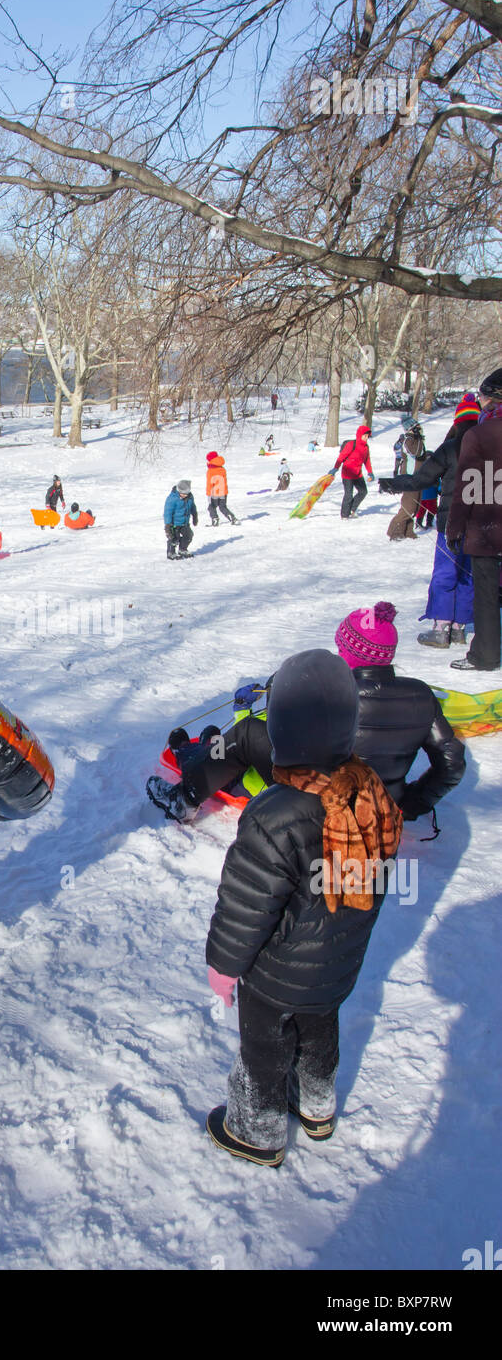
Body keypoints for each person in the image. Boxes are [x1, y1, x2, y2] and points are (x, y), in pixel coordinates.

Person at [204, 649, 403, 1166]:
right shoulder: (369, 792)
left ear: (282, 732)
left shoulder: (276, 813)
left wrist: (225, 968)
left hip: (276, 974)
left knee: (264, 1049)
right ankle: (316, 1106)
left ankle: (258, 1130)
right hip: (339, 966)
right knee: (318, 1030)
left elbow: (246, 905)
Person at [147, 602, 465, 825]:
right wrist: (407, 805)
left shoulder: (330, 691)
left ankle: (184, 799)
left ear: (350, 651)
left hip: (320, 806)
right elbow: (451, 764)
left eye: (343, 648)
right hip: (379, 810)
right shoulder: (421, 694)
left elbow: (279, 737)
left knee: (246, 735)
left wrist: (271, 695)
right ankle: (209, 754)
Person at [379, 395, 480, 648]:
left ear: (456, 422)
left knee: (446, 572)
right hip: (480, 524)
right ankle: (459, 627)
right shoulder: (489, 449)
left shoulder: (450, 448)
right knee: (468, 575)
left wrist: (392, 483)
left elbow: (420, 480)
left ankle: (441, 626)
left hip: (451, 524)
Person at [446, 369, 502, 671]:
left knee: (486, 595)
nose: (478, 402)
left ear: (491, 397)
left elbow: (466, 486)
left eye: (480, 396)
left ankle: (485, 655)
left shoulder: (478, 434)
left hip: (487, 527)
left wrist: (454, 527)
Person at [386, 426, 426, 539]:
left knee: (415, 507)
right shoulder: (408, 440)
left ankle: (408, 531)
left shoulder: (417, 440)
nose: (419, 431)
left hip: (418, 478)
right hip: (410, 478)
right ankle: (393, 531)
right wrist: (414, 436)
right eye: (417, 429)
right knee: (409, 506)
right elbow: (416, 452)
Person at [330, 424, 374, 519]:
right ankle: (344, 515)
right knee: (348, 495)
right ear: (359, 435)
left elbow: (367, 460)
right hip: (347, 474)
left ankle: (351, 509)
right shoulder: (351, 444)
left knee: (363, 492)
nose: (366, 438)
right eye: (364, 436)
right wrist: (335, 468)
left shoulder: (366, 447)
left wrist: (370, 472)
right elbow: (341, 457)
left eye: (367, 436)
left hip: (358, 474)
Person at [164, 479, 198, 559]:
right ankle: (171, 552)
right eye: (182, 493)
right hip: (174, 523)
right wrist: (168, 525)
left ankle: (183, 549)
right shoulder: (172, 498)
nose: (184, 495)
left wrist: (195, 515)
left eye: (186, 493)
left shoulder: (190, 497)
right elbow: (167, 512)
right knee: (174, 539)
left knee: (188, 535)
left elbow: (193, 506)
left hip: (185, 522)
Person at [206, 451, 239, 525]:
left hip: (214, 493)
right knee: (222, 507)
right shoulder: (222, 469)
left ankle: (215, 519)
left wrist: (208, 494)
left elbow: (209, 484)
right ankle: (232, 518)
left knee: (211, 507)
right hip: (223, 492)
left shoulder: (210, 471)